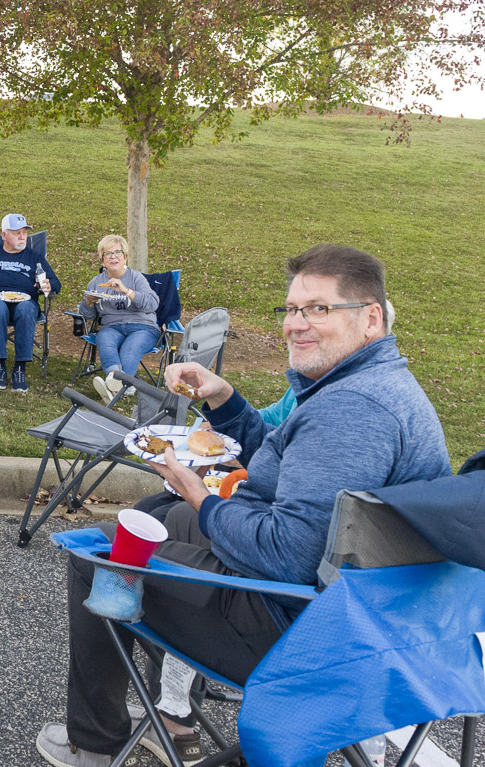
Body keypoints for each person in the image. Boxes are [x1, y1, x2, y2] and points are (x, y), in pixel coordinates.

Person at [36, 244, 450, 767]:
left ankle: (96, 744)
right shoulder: (365, 384)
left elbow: (285, 554)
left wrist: (203, 498)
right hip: (352, 608)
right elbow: (287, 468)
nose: (296, 324)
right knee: (156, 517)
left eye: (318, 309)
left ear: (370, 318)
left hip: (302, 633)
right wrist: (225, 401)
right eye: (292, 309)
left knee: (100, 556)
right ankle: (172, 708)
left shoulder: (354, 411)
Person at [0, 213, 61, 392]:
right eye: (17, 233)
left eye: (24, 232)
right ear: (4, 235)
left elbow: (56, 283)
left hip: (25, 300)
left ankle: (19, 368)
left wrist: (47, 285)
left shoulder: (35, 257)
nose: (23, 237)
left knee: (25, 310)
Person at [78, 235, 159, 403]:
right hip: (112, 327)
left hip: (142, 326)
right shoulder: (96, 283)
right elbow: (88, 316)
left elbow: (152, 304)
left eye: (117, 252)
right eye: (108, 253)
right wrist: (88, 302)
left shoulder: (136, 278)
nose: (113, 256)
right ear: (102, 259)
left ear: (125, 257)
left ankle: (114, 386)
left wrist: (127, 291)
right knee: (104, 339)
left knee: (129, 351)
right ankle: (119, 386)